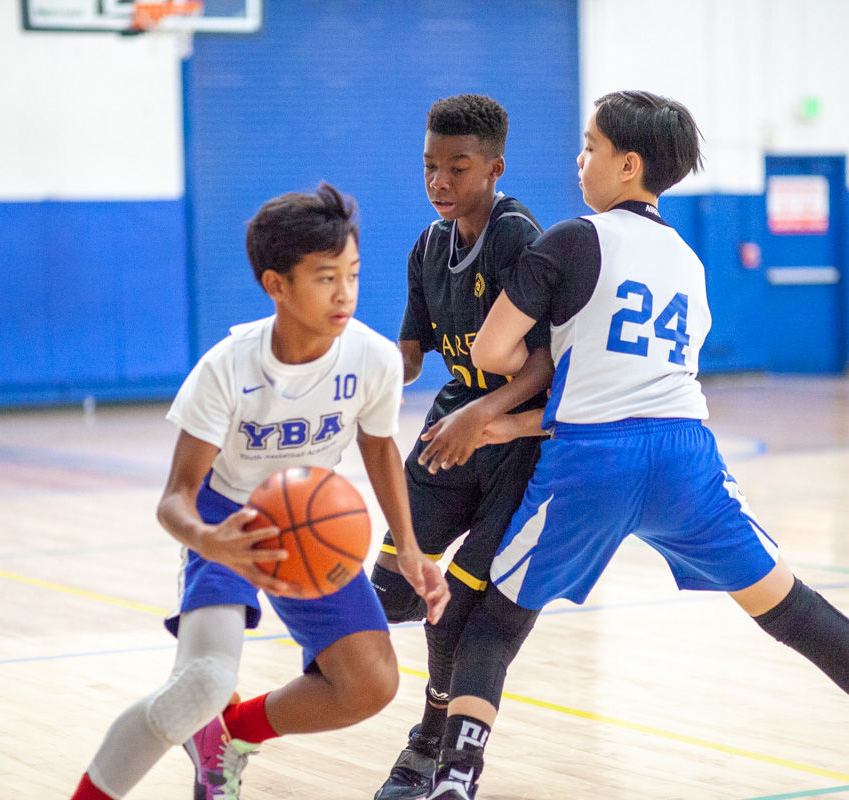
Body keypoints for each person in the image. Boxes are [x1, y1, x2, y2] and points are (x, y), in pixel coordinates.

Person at [445, 90, 849, 800]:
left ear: (627, 164)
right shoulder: (688, 260)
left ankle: (454, 781)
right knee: (791, 607)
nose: (578, 157)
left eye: (589, 145)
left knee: (494, 623)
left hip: (593, 462)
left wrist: (515, 387)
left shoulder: (570, 238)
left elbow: (496, 352)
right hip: (686, 457)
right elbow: (644, 384)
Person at [69, 183, 449, 800]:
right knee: (203, 683)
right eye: (325, 277)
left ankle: (229, 736)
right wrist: (208, 541)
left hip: (311, 515)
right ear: (277, 284)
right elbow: (175, 498)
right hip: (228, 520)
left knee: (370, 686)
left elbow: (379, 447)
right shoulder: (227, 367)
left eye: (352, 273)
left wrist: (408, 549)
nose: (345, 292)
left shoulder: (374, 359)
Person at [369, 94, 555, 800]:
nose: (438, 181)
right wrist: (344, 375)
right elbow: (409, 354)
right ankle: (425, 734)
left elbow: (542, 367)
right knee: (392, 588)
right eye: (429, 166)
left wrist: (484, 414)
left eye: (456, 167)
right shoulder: (426, 245)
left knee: (457, 609)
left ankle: (427, 747)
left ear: (494, 168)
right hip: (452, 432)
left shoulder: (518, 238)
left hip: (516, 443)